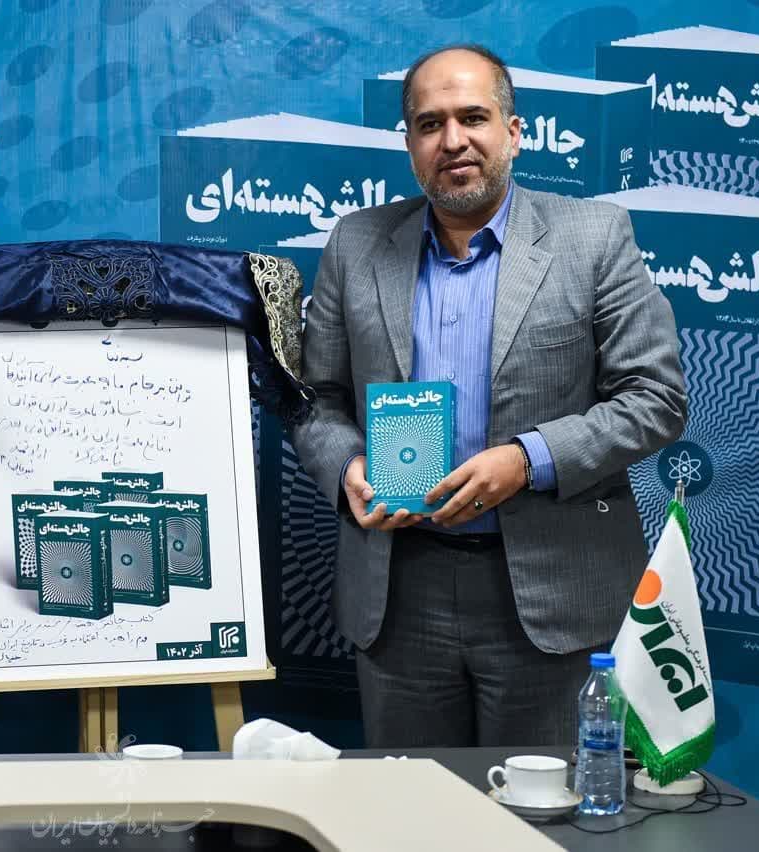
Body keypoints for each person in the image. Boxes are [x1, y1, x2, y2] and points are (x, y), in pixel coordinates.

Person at [291, 44, 686, 747]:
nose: (453, 141)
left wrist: (527, 460)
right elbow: (315, 399)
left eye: (473, 117)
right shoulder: (356, 243)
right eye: (430, 123)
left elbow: (655, 397)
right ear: (410, 144)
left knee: (546, 803)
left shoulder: (594, 237)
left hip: (551, 588)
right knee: (413, 799)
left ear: (514, 130)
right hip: (397, 590)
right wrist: (347, 466)